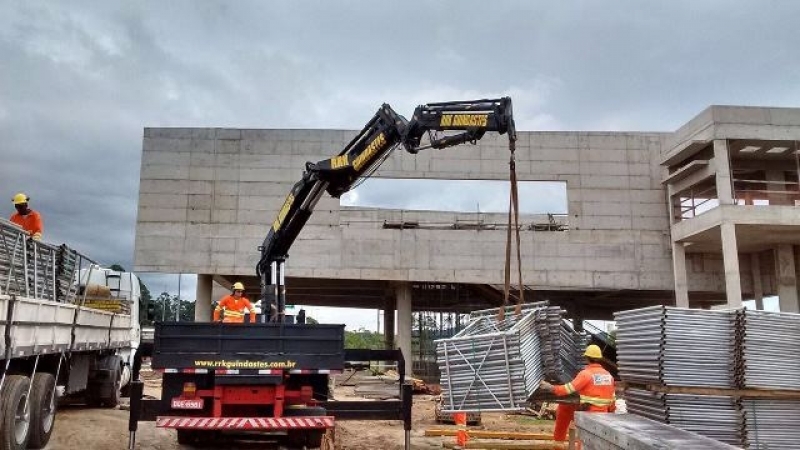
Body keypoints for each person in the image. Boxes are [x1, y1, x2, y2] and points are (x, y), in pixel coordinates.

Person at [538, 344, 615, 441]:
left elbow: (568, 389)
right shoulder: (609, 376)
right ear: (599, 358)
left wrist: (551, 388)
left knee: (563, 408)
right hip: (605, 414)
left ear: (587, 358)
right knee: (565, 407)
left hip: (589, 414)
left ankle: (558, 440)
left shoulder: (586, 374)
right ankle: (559, 440)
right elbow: (613, 401)